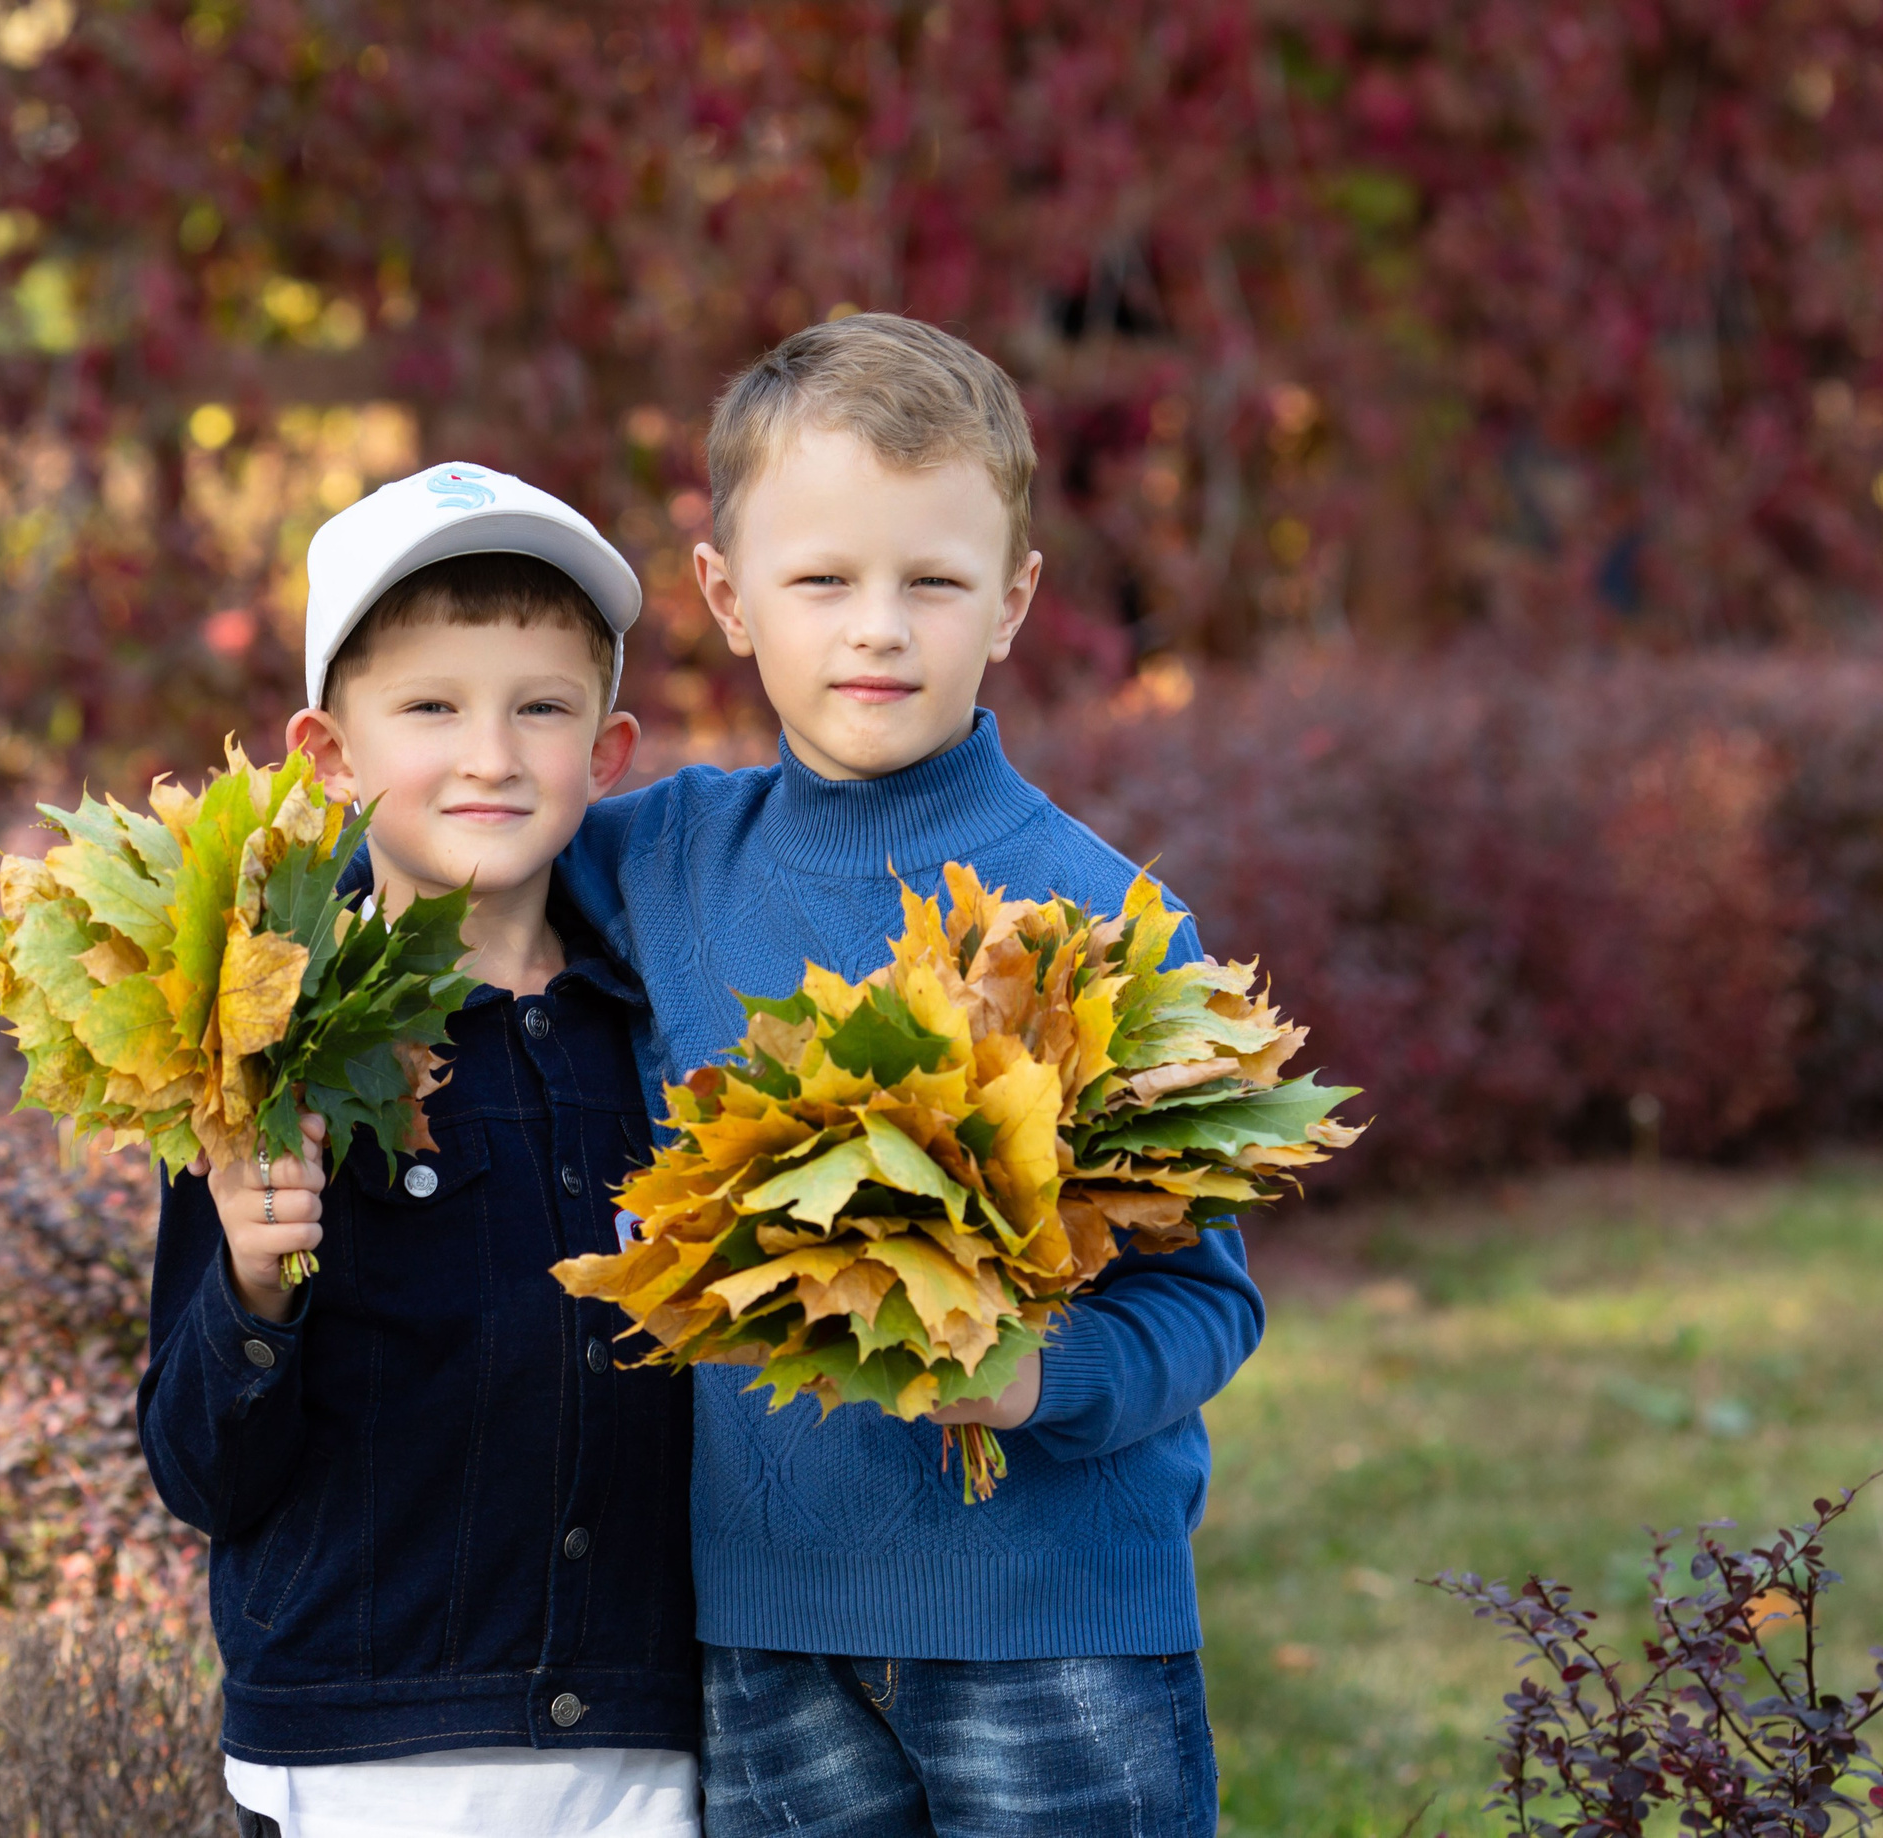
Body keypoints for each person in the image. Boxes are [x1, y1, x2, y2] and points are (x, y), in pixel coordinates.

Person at [555, 315, 1263, 1837]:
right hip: (759, 1628)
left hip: (1054, 1620)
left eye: (932, 581)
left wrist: (1038, 1379)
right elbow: (452, 862)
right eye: (822, 581)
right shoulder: (660, 858)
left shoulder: (1099, 926)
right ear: (729, 599)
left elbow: (1213, 1297)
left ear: (1012, 601)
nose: (877, 628)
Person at [138, 464, 702, 1838]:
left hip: (644, 1743)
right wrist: (256, 1295)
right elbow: (199, 1468)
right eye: (433, 706)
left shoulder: (656, 1035)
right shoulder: (263, 1048)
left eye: (542, 708)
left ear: (608, 751)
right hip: (369, 1752)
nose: (492, 754)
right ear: (331, 753)